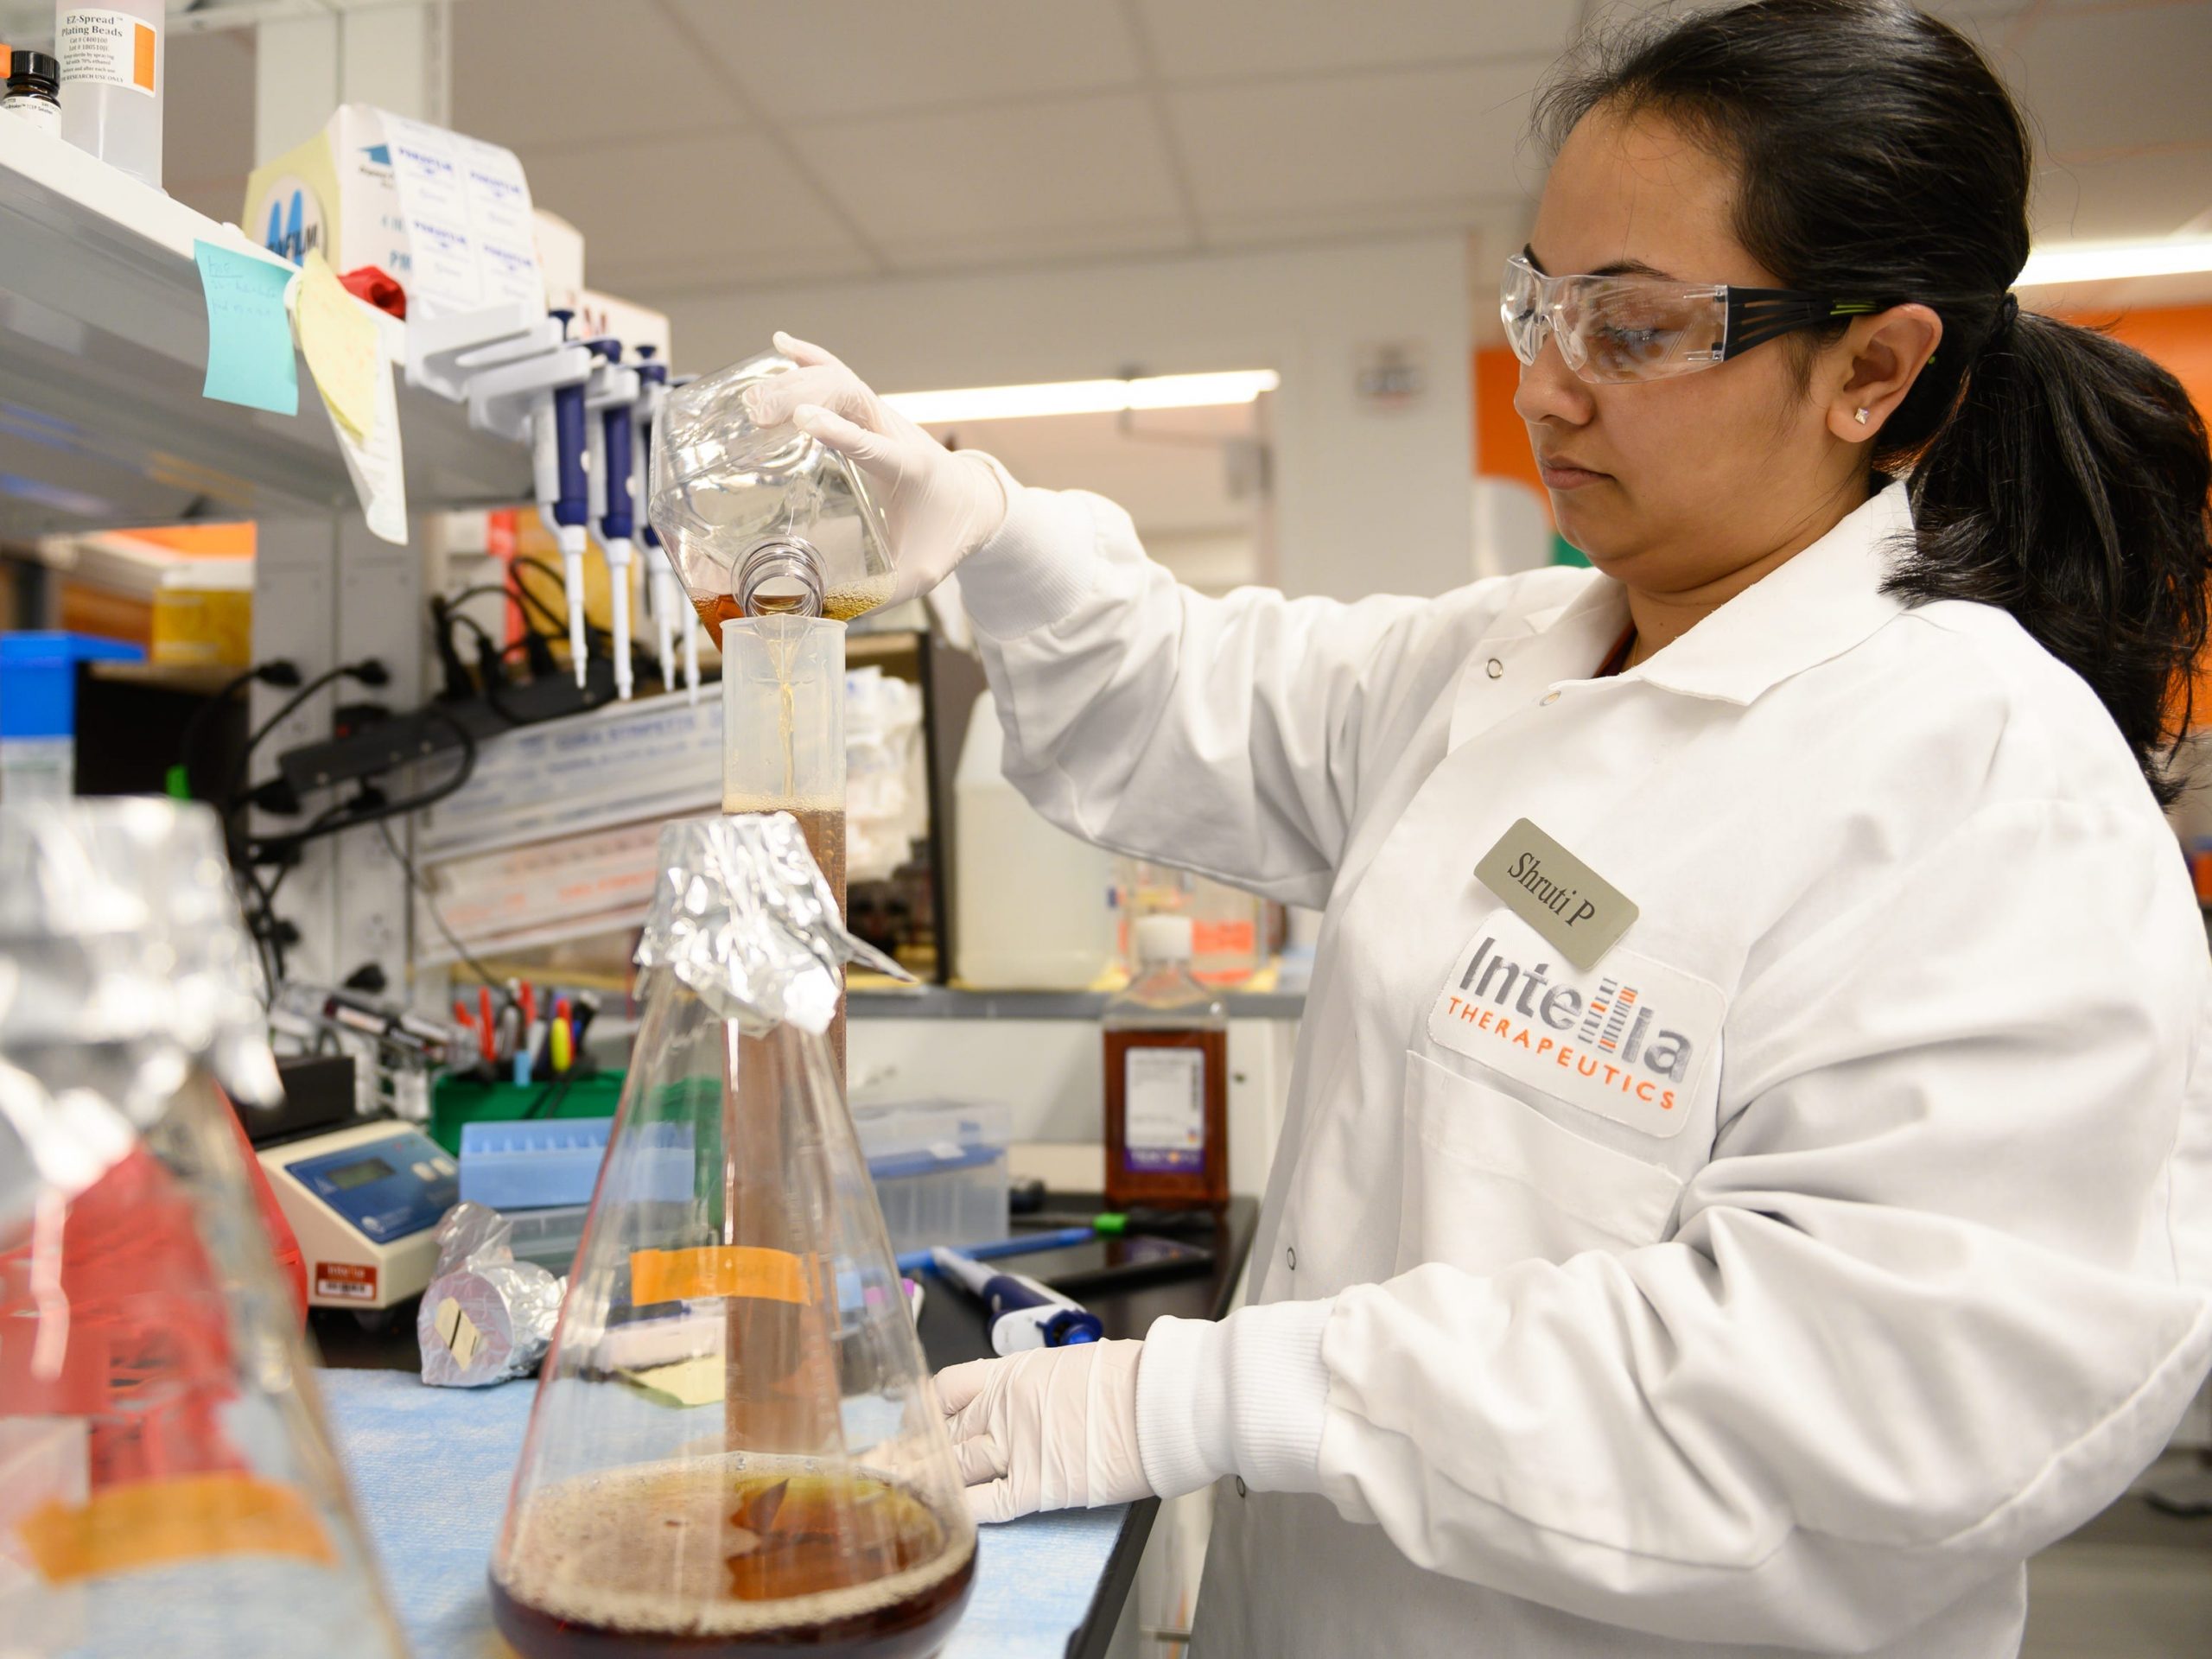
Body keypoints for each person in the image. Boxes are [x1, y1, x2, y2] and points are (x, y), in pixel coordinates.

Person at [742, 2, 2212, 1651]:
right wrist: (988, 526)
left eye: (1635, 331)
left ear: (1873, 368)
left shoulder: (1983, 782)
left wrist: (1218, 1396)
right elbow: (1189, 700)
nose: (1543, 388)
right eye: (1540, 303)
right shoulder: (1504, 658)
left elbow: (1870, 1387)